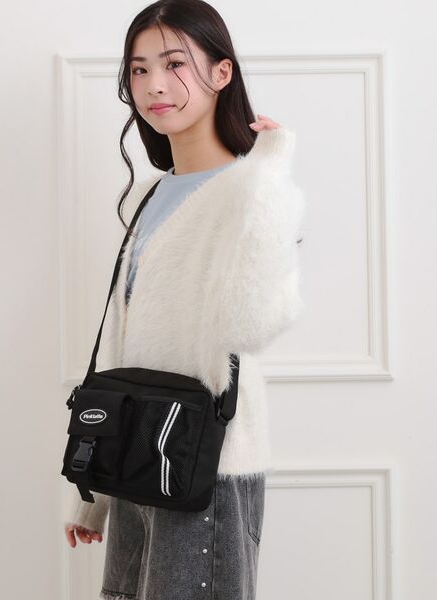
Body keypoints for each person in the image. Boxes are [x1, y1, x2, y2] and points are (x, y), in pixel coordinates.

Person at [64, 1, 306, 598]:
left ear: (222, 73)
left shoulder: (253, 190)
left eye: (174, 63)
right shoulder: (151, 195)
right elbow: (124, 348)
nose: (154, 84)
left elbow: (252, 324)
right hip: (140, 462)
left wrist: (269, 178)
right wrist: (94, 489)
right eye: (139, 69)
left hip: (209, 467)